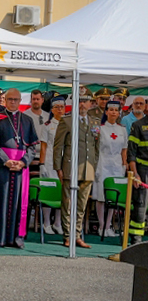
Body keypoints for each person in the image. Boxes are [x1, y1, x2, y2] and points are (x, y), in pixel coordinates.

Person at [0, 89, 39, 249]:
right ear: (4, 101)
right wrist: (6, 161)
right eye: (10, 99)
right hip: (1, 169)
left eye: (16, 99)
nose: (13, 102)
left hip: (20, 169)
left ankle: (16, 239)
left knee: (18, 204)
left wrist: (24, 161)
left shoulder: (27, 120)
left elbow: (33, 146)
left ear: (20, 101)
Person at [54, 91, 100, 248]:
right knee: (68, 203)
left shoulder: (94, 122)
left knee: (81, 205)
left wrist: (94, 165)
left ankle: (77, 235)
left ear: (90, 104)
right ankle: (68, 235)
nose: (82, 104)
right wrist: (58, 168)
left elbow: (96, 147)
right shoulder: (67, 121)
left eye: (85, 101)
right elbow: (58, 146)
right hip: (70, 167)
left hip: (88, 169)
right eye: (79, 101)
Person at [93, 100, 128, 238]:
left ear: (119, 113)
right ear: (106, 112)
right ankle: (101, 226)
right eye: (110, 109)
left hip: (117, 164)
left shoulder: (122, 129)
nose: (113, 112)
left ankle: (108, 226)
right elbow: (95, 148)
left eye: (116, 110)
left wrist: (124, 165)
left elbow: (124, 149)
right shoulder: (99, 128)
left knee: (114, 196)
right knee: (101, 195)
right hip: (102, 163)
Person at [37, 94, 65, 235]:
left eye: (62, 107)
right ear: (52, 110)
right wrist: (41, 164)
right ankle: (46, 222)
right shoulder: (47, 126)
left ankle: (58, 222)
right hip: (49, 161)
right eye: (57, 107)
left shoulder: (67, 124)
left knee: (61, 192)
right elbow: (43, 146)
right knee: (48, 191)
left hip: (63, 162)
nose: (60, 110)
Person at [127, 108, 148, 244]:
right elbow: (131, 153)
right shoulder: (138, 125)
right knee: (141, 205)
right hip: (143, 169)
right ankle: (136, 240)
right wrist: (135, 174)